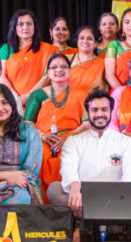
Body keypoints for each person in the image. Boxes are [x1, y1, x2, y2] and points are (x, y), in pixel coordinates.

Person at [48, 90, 131, 211]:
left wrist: (119, 197)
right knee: (54, 190)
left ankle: (86, 219)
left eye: (104, 109)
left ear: (111, 111)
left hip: (115, 199)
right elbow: (67, 166)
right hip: (83, 198)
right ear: (88, 113)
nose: (99, 114)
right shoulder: (74, 141)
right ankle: (94, 215)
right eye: (94, 110)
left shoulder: (126, 142)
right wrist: (74, 184)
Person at [24, 54, 90, 198]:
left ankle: (73, 206)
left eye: (63, 66)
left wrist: (67, 138)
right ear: (48, 73)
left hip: (72, 139)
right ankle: (41, 205)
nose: (58, 70)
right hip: (42, 141)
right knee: (40, 156)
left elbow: (86, 124)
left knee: (73, 156)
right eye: (54, 67)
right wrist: (44, 136)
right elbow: (28, 123)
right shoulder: (38, 94)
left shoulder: (81, 95)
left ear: (70, 71)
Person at [0, 9, 57, 100]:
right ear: (14, 27)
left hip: (38, 99)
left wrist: (29, 95)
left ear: (34, 27)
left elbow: (48, 75)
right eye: (20, 24)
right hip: (11, 99)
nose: (25, 27)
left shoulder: (47, 49)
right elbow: (0, 75)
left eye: (29, 24)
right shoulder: (6, 49)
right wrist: (15, 98)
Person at [68, 26, 106, 93]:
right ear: (77, 41)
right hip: (68, 101)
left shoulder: (103, 64)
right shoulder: (66, 59)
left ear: (95, 43)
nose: (85, 41)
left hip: (92, 101)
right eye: (82, 38)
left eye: (89, 39)